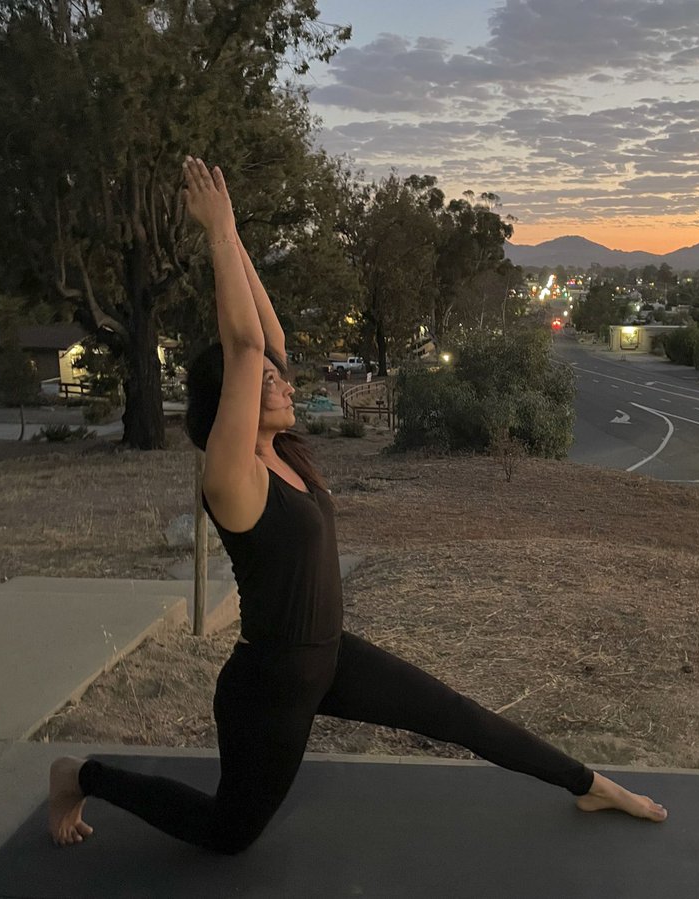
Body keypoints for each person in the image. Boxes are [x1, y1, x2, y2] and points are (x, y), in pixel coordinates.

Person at [46, 157, 666, 854]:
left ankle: (587, 781)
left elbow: (266, 340)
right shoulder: (233, 473)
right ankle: (81, 773)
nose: (282, 381)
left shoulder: (283, 454)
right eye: (268, 382)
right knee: (230, 833)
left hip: (331, 656)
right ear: (236, 401)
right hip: (271, 685)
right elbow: (247, 345)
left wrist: (239, 243)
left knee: (457, 715)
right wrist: (217, 231)